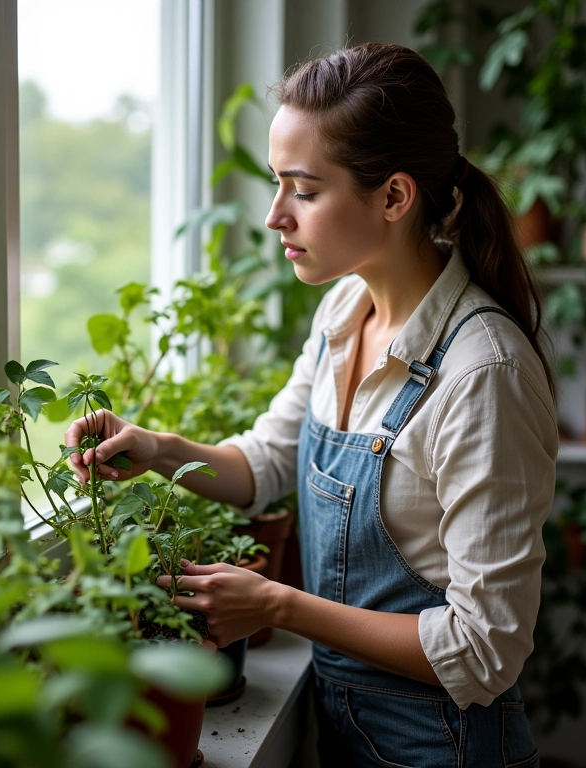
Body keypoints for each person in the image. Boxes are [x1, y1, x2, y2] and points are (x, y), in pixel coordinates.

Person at [66, 42, 557, 767]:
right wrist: (160, 452)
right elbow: (266, 461)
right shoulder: (343, 307)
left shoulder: (484, 373)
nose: (274, 217)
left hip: (447, 747)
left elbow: (486, 649)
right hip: (352, 736)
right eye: (276, 184)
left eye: (304, 189)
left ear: (394, 197)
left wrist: (276, 605)